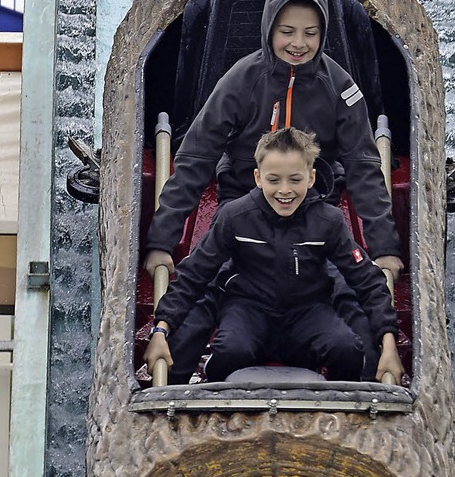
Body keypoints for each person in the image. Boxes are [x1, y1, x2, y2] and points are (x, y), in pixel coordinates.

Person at [144, 0, 403, 382]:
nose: (298, 42)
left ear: (324, 34)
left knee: (351, 299)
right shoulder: (241, 79)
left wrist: (385, 247)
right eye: (287, 32)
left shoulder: (341, 89)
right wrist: (162, 242)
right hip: (244, 211)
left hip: (313, 211)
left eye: (310, 33)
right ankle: (172, 388)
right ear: (269, 30)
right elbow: (196, 157)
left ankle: (371, 389)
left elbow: (365, 167)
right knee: (205, 294)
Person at [144, 127, 404, 384]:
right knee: (230, 351)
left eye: (295, 179)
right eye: (273, 180)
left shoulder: (329, 221)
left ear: (311, 178)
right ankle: (216, 390)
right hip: (248, 309)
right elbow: (193, 275)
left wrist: (389, 344)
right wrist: (160, 330)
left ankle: (345, 405)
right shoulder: (234, 217)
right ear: (258, 178)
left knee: (347, 348)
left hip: (309, 311)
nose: (284, 190)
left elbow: (367, 281)